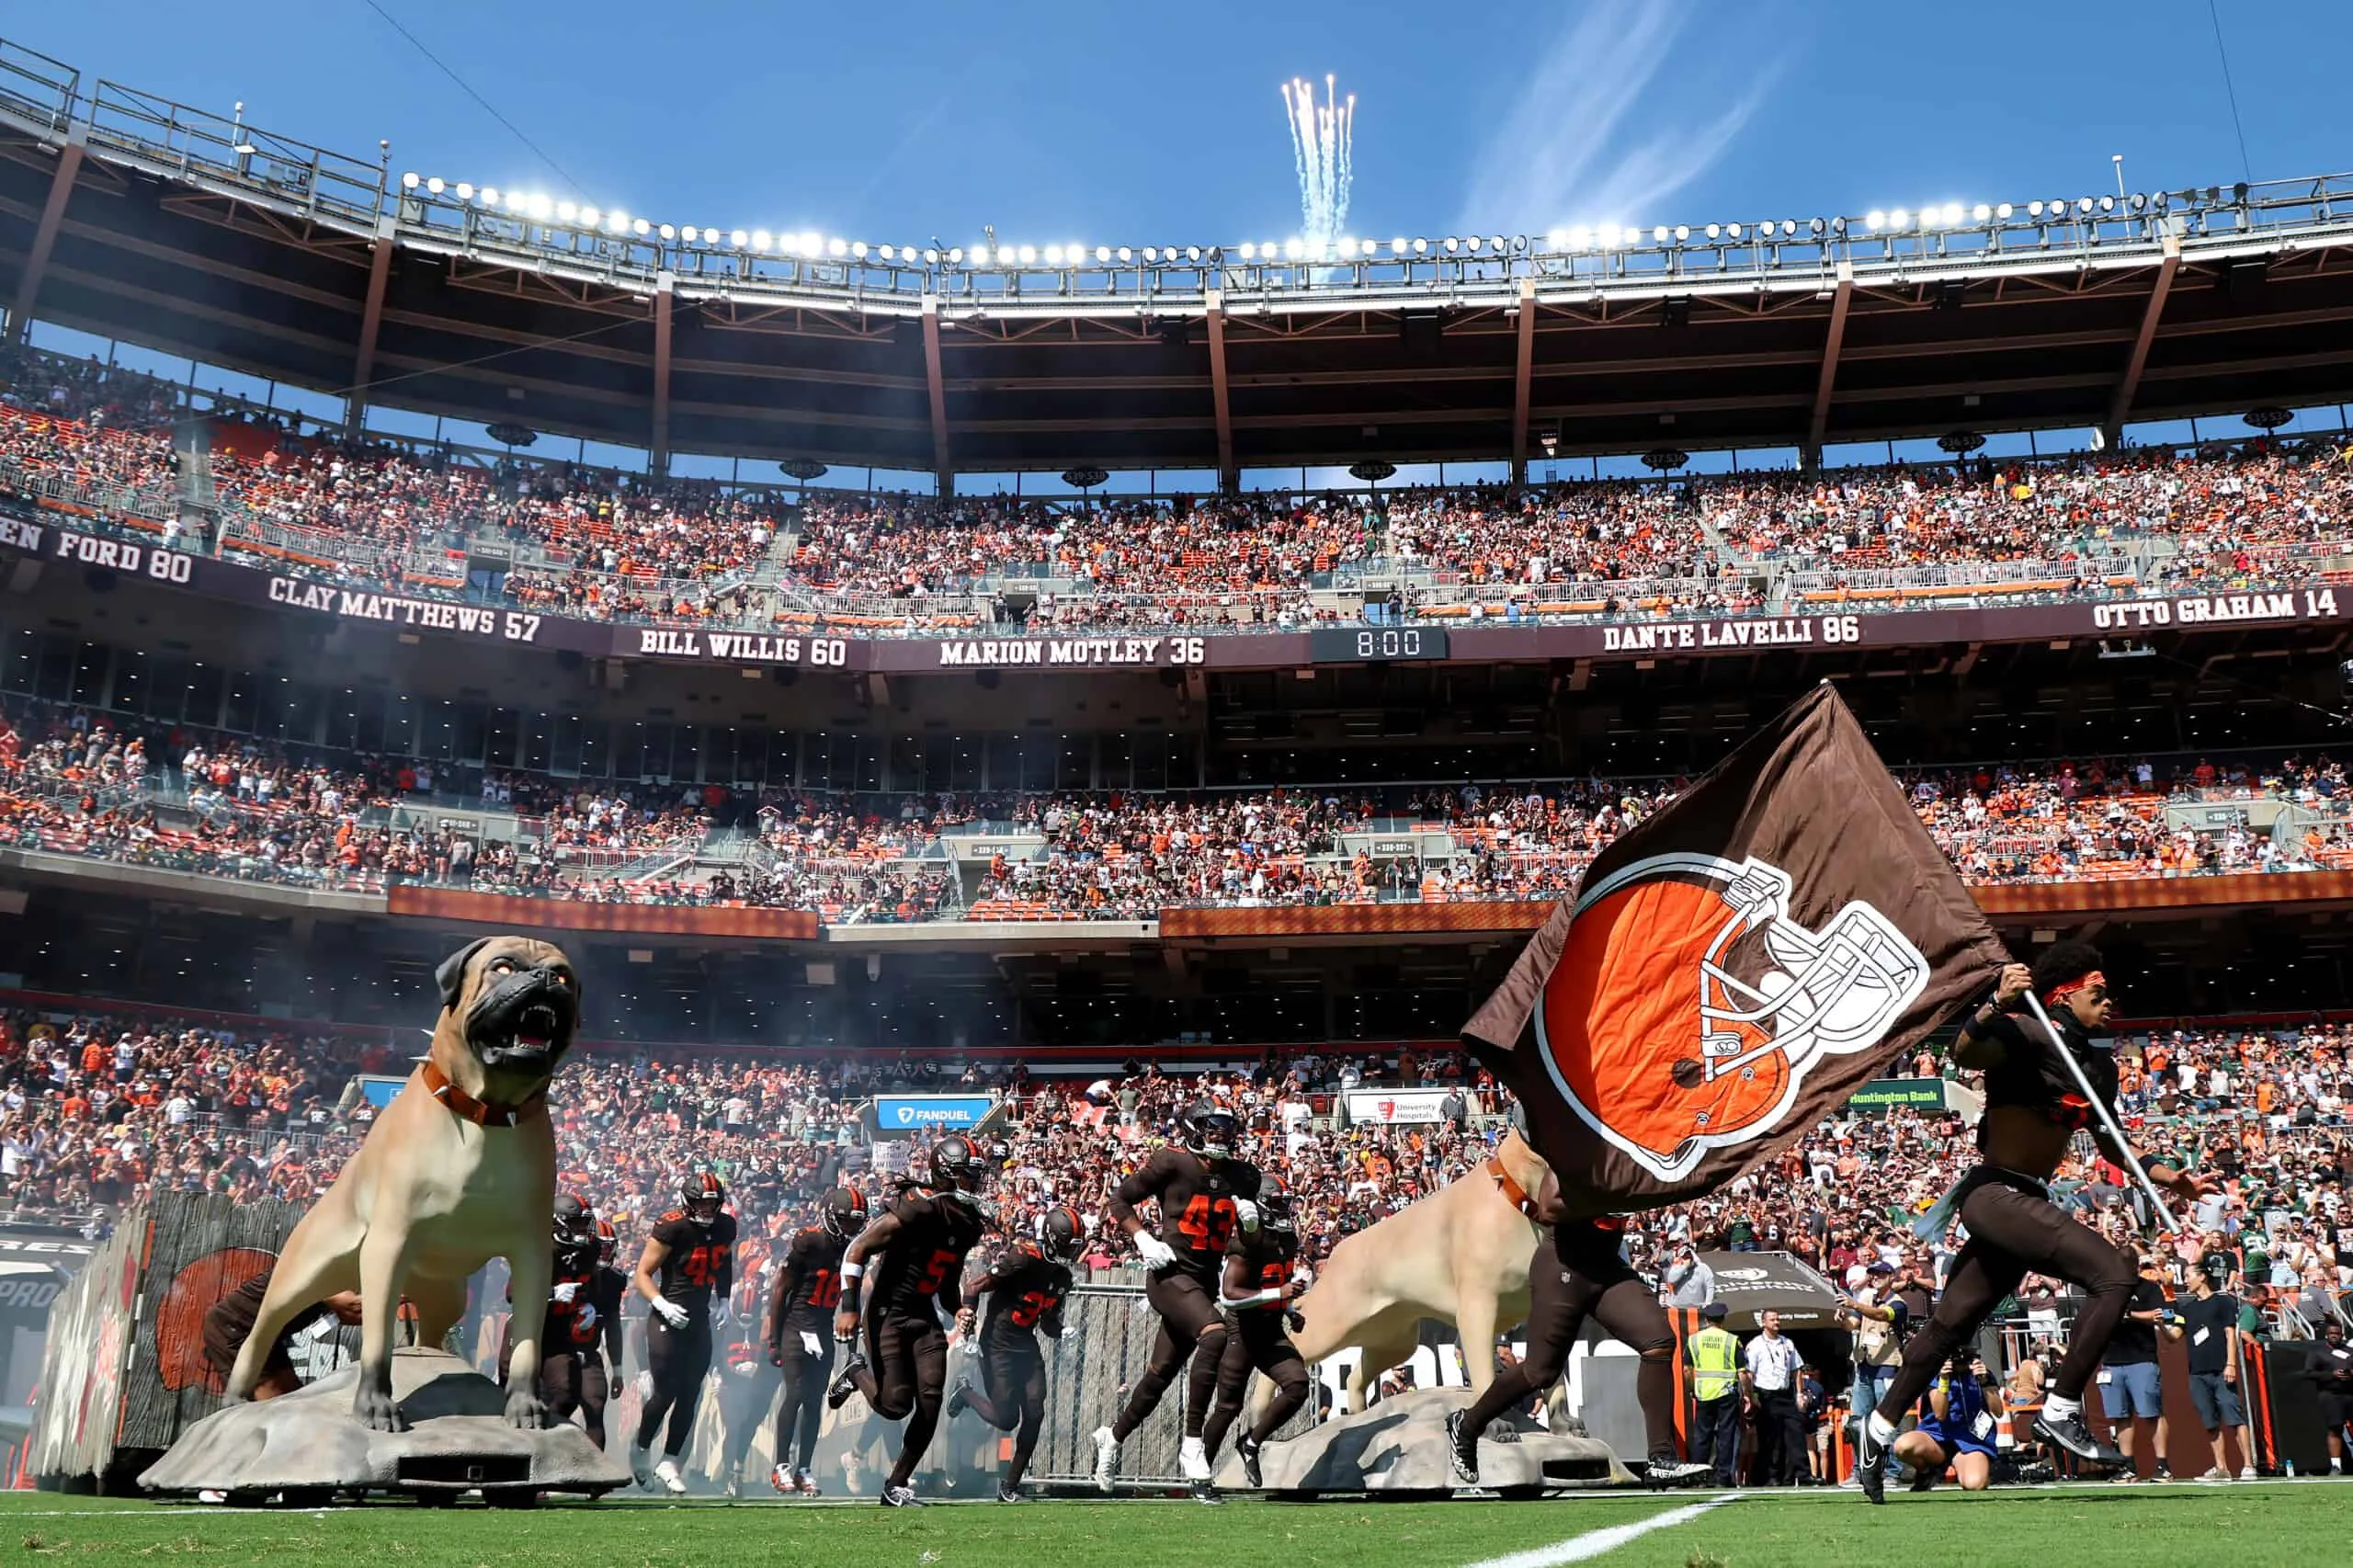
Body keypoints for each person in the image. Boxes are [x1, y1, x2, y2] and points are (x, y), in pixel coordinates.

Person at [1854, 944, 2215, 1503]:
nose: (2111, 1002)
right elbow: (1965, 1053)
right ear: (2066, 994)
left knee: (1950, 1323)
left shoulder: (2097, 1066)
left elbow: (2115, 1146)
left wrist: (2172, 1180)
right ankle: (2062, 1408)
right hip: (1993, 1192)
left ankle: (1875, 1433)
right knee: (2117, 1273)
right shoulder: (2025, 1029)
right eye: (2099, 993)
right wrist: (1992, 1003)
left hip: (2024, 1199)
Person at [1447, 1170, 1711, 1488]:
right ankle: (1467, 1425)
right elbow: (1548, 1207)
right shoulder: (1579, 1149)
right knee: (1539, 1372)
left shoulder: (1631, 1152)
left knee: (1658, 1341)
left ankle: (1661, 1457)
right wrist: (1604, 1196)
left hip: (1605, 1265)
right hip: (1565, 1265)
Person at [1093, 1102, 1261, 1493]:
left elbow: (1249, 1243)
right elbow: (1118, 1200)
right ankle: (1192, 1443)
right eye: (1212, 1129)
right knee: (1216, 1334)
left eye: (1225, 1130)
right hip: (1168, 1274)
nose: (1220, 1137)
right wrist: (1141, 1237)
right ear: (1192, 1130)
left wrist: (1251, 1226)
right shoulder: (1172, 1162)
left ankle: (1112, 1438)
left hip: (1201, 1283)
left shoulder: (1243, 1175)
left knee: (1160, 1375)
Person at [829, 1134, 995, 1507]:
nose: (975, 1182)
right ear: (946, 1174)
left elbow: (948, 1282)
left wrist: (957, 1309)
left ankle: (896, 1484)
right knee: (895, 1406)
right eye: (968, 1174)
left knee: (932, 1399)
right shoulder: (917, 1207)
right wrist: (849, 1307)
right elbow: (858, 1249)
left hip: (922, 1314)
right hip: (888, 1311)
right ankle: (856, 1371)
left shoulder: (968, 1222)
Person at [949, 1204, 1079, 1502]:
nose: (1074, 1252)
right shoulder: (1023, 1258)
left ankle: (1010, 1486)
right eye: (1070, 1245)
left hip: (1025, 1343)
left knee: (1035, 1412)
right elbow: (974, 1285)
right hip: (996, 1343)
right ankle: (965, 1393)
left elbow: (1047, 1323)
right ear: (1054, 1238)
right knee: (1007, 1419)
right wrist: (966, 1329)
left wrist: (1062, 1330)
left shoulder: (1061, 1277)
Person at [1199, 1174, 1313, 1503]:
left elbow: (1276, 1281)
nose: (1282, 1210)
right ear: (1260, 1205)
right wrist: (1280, 1293)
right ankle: (1200, 1474)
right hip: (1242, 1331)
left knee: (1297, 1384)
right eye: (1276, 1203)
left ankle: (1251, 1442)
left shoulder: (1287, 1239)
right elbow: (1230, 1294)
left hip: (1270, 1328)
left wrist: (1289, 1308)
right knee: (1228, 1407)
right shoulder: (1246, 1241)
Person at [631, 1169, 737, 1494]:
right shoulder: (672, 1226)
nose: (707, 1210)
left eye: (712, 1204)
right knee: (668, 1390)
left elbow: (724, 1263)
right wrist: (661, 1304)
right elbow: (642, 1274)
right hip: (667, 1315)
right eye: (701, 1204)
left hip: (698, 1317)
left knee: (693, 1392)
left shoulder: (725, 1226)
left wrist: (723, 1299)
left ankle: (670, 1460)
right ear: (688, 1202)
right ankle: (641, 1446)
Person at [765, 1187, 865, 1495]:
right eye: (845, 1221)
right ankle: (781, 1465)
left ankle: (804, 1468)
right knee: (794, 1394)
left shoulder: (856, 1249)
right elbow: (781, 1291)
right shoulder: (809, 1241)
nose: (849, 1228)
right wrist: (773, 1338)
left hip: (822, 1331)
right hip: (796, 1326)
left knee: (813, 1402)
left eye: (854, 1223)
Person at [503, 1194, 605, 1446]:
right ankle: (504, 1452)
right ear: (558, 1224)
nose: (583, 1230)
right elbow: (512, 1294)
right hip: (527, 1329)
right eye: (577, 1224)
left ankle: (541, 1446)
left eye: (584, 1224)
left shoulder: (589, 1249)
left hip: (559, 1331)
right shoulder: (540, 1247)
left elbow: (592, 1283)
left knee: (566, 1393)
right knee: (510, 1397)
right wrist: (550, 1293)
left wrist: (590, 1303)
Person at [201, 1261, 362, 1399]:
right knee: (282, 1416)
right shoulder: (328, 1265)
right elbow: (352, 1307)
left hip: (269, 1333)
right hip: (236, 1328)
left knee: (297, 1406)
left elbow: (348, 1313)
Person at [2100, 1251, 2179, 1483]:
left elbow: (2159, 1315)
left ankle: (2163, 1466)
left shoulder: (2149, 1288)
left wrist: (2128, 1314)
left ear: (2136, 1265)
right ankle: (2128, 1466)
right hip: (2112, 1358)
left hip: (2142, 1357)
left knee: (2151, 1413)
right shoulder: (2108, 1287)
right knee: (2120, 1416)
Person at [2177, 1264, 2251, 1481]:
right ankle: (2221, 1468)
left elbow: (2230, 1334)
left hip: (2220, 1369)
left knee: (2234, 1415)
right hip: (2197, 1373)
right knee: (2210, 1421)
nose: (2185, 1280)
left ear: (2202, 1277)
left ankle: (2248, 1465)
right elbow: (2174, 1335)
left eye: (2187, 1275)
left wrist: (2231, 1364)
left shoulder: (2222, 1302)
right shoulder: (2186, 1309)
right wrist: (2161, 1324)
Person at [1891, 1351, 2003, 1493]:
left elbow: (1998, 1411)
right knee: (1903, 1446)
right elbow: (1940, 1414)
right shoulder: (1935, 1374)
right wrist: (1943, 1380)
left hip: (1971, 1442)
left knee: (1975, 1484)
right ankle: (1927, 1471)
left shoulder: (1982, 1373)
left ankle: (1974, 1466)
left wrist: (1985, 1383)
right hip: (1937, 1437)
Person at [1838, 1261, 1905, 1429]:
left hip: (1886, 1370)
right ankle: (1861, 1456)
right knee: (1857, 1424)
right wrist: (1842, 1319)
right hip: (1863, 1368)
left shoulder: (1898, 1304)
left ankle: (1891, 1457)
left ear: (1891, 1277)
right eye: (1873, 1273)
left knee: (1886, 1425)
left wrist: (1854, 1304)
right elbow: (1851, 1325)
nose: (1875, 1277)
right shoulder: (1866, 1299)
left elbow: (1882, 1314)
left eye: (1881, 1274)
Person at [1743, 1309, 1805, 1485]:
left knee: (1796, 1434)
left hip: (1785, 1394)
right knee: (1771, 1439)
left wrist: (1799, 1393)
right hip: (1765, 1395)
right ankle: (1771, 1477)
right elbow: (1749, 1373)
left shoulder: (1788, 1343)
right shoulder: (1755, 1345)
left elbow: (1796, 1369)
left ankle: (1803, 1474)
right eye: (1772, 1320)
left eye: (1778, 1319)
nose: (1776, 1322)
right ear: (1763, 1322)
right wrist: (1751, 1395)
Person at [1686, 1301, 1743, 1485]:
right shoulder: (1732, 1340)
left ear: (1707, 1319)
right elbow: (1743, 1372)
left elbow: (1687, 1369)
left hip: (1703, 1393)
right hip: (1727, 1393)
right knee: (1725, 1436)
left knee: (1702, 1436)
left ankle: (1699, 1477)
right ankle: (1722, 1478)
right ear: (1723, 1319)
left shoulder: (1694, 1339)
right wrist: (1748, 1395)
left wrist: (1691, 1388)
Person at [2314, 1317, 2353, 1474]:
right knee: (2335, 1429)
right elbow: (2309, 1373)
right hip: (2331, 1395)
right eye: (2331, 1333)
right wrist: (2331, 1375)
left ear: (2342, 1335)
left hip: (2350, 1393)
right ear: (2326, 1335)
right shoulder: (2319, 1353)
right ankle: (2336, 1465)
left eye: (2337, 1333)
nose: (2334, 1336)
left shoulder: (2349, 1351)